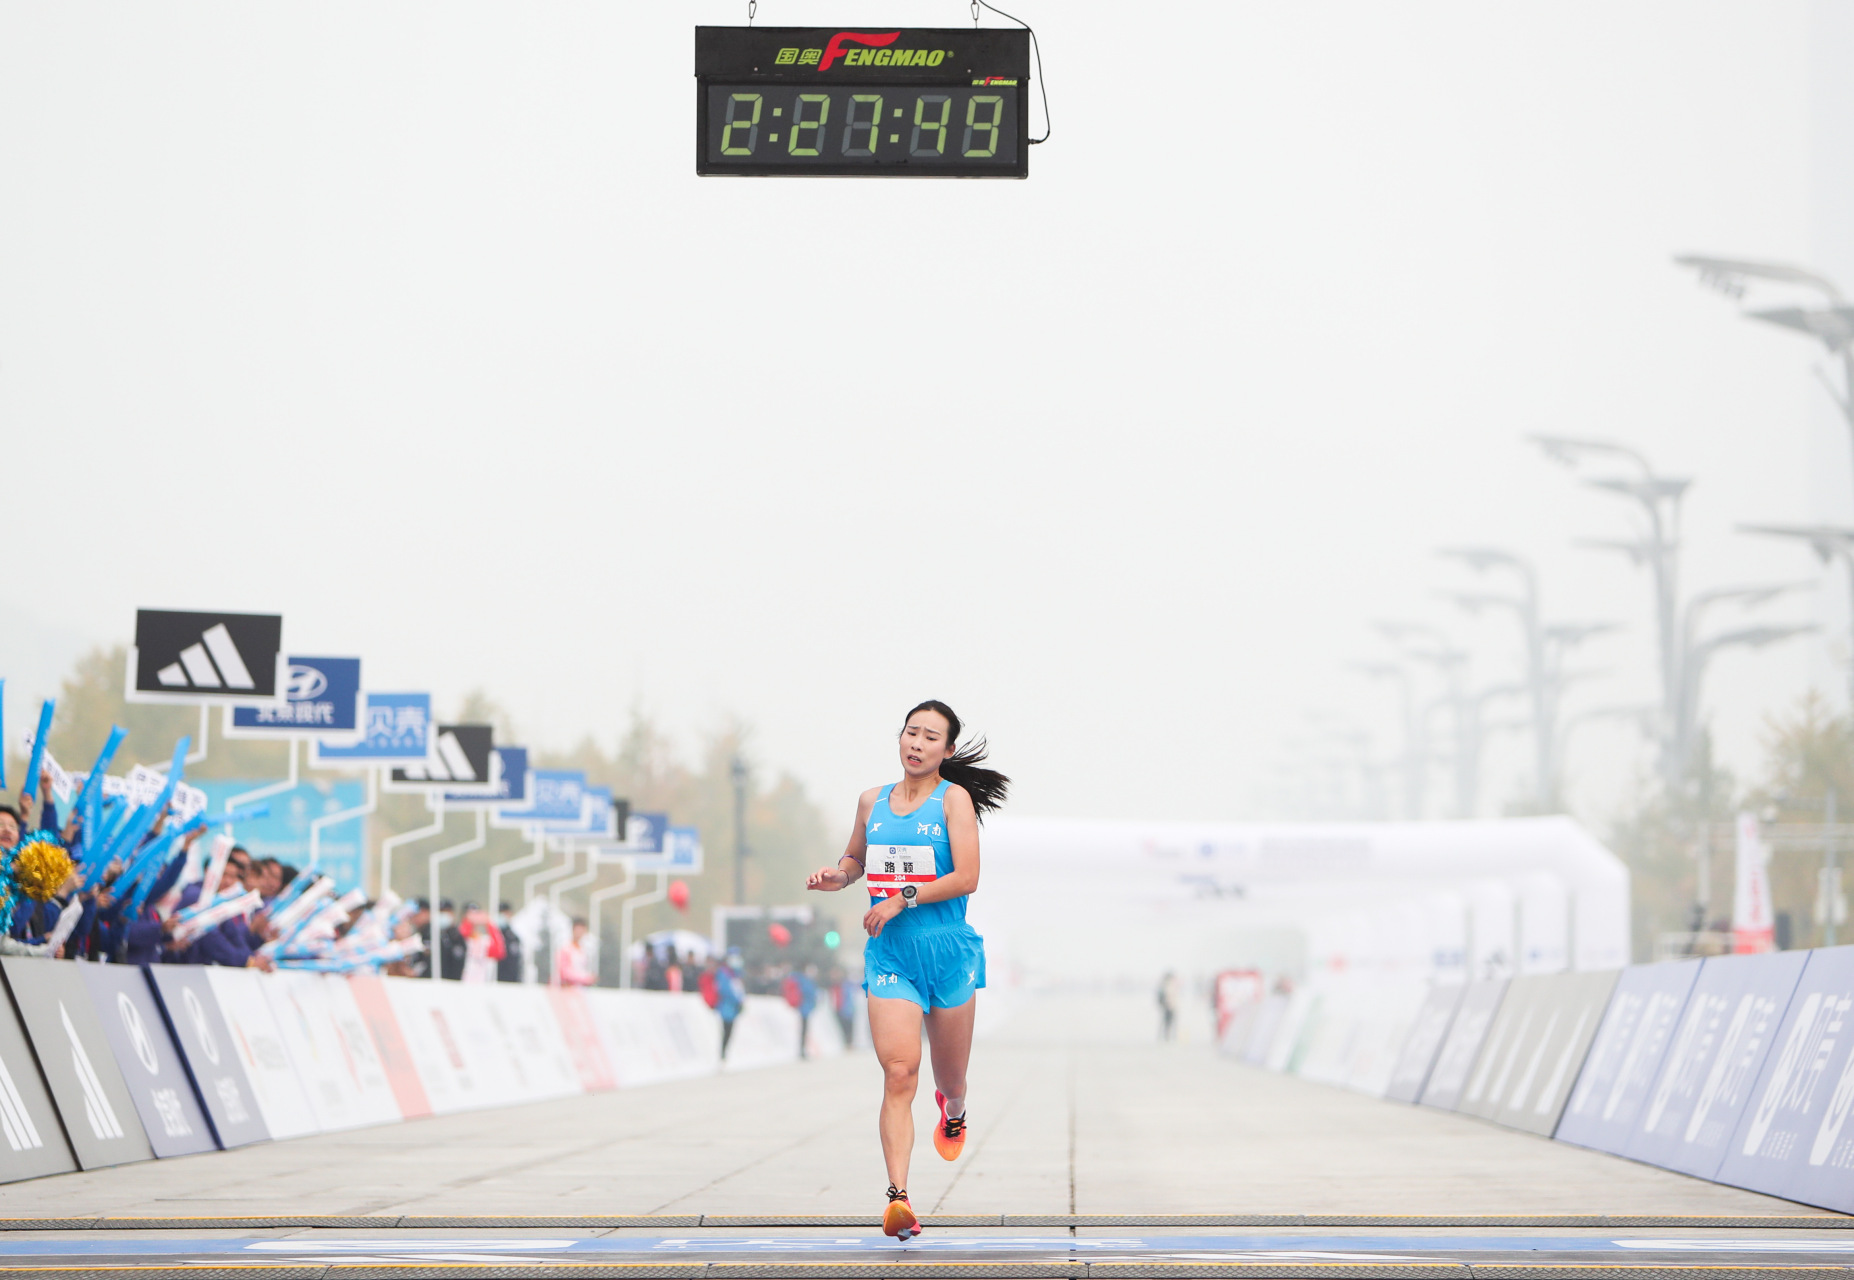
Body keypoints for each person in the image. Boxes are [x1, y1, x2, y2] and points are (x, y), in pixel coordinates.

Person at [805, 699, 1009, 1241]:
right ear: (899, 739)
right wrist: (838, 876)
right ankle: (898, 1197)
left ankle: (955, 1108)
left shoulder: (954, 801)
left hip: (947, 953)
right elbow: (855, 861)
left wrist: (903, 897)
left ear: (946, 750)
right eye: (910, 733)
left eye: (930, 737)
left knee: (950, 1078)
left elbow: (967, 877)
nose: (916, 744)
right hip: (891, 952)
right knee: (899, 1072)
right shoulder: (871, 801)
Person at [556, 918, 596, 987]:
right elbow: (565, 972)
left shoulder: (583, 949)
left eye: (582, 930)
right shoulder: (566, 949)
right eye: (578, 930)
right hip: (567, 988)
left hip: (580, 988)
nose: (580, 933)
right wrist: (585, 978)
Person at [1157, 971, 1179, 1042]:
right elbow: (1170, 996)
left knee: (1167, 1023)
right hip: (1169, 1006)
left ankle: (1167, 1036)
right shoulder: (1168, 985)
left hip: (1168, 1006)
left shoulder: (1165, 985)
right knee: (1168, 1023)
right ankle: (1167, 1037)